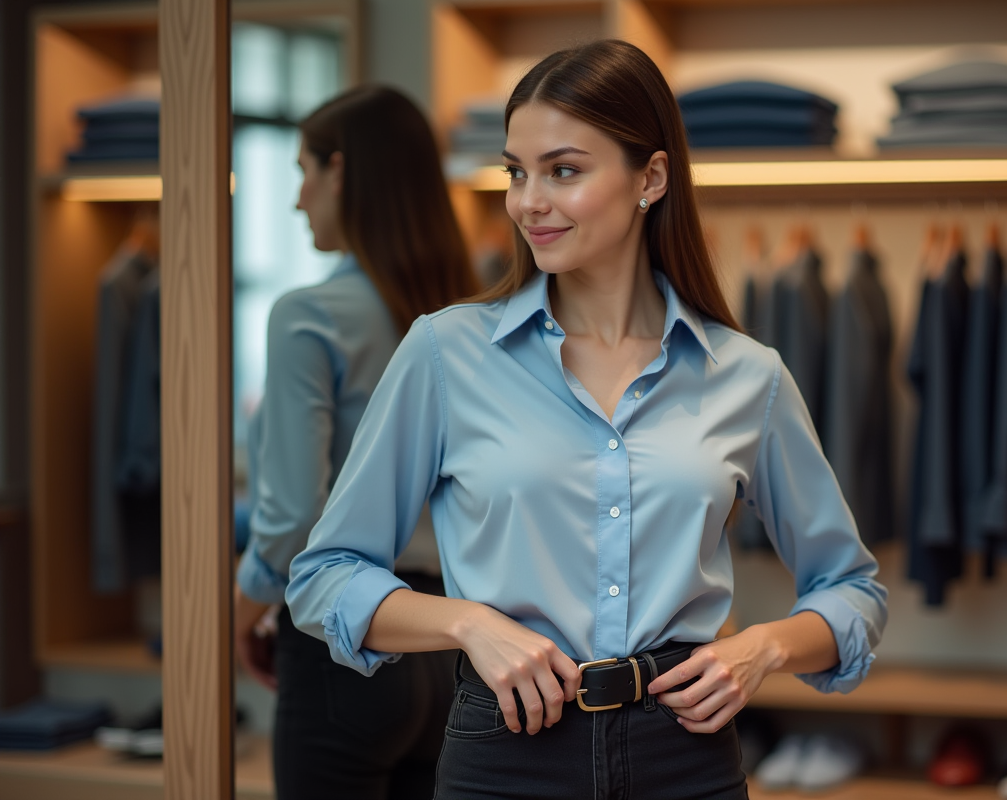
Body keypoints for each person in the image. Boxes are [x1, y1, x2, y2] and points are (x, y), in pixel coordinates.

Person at [287, 41, 887, 799]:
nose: (527, 201)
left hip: (687, 758)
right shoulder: (445, 353)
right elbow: (324, 577)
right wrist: (467, 622)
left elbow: (853, 591)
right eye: (516, 171)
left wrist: (764, 648)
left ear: (652, 178)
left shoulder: (747, 374)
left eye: (563, 171)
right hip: (504, 754)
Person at [232, 85, 478, 800]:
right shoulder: (472, 316)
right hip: (449, 646)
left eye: (303, 172)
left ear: (341, 171)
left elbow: (289, 519)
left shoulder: (308, 316)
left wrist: (235, 619)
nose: (297, 200)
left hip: (346, 643)